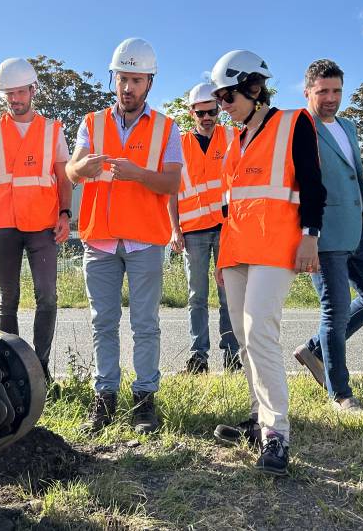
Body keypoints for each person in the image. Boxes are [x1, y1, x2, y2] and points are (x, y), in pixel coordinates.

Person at [208, 50, 325, 475]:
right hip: (236, 250)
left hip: (276, 247)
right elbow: (230, 206)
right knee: (243, 337)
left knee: (260, 331)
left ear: (254, 88)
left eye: (227, 96)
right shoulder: (235, 140)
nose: (223, 106)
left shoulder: (293, 123)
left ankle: (277, 434)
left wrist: (310, 236)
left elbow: (313, 186)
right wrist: (221, 258)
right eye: (219, 99)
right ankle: (258, 418)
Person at [65, 38, 182, 434]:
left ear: (149, 82)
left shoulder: (167, 128)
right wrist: (81, 169)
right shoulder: (91, 123)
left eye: (136, 80)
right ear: (113, 79)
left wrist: (139, 175)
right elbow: (71, 171)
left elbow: (172, 183)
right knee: (103, 323)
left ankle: (145, 402)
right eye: (122, 79)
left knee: (145, 324)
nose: (127, 87)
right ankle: (105, 399)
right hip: (99, 241)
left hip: (145, 241)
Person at [293, 59, 363, 415]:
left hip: (356, 228)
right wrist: (306, 235)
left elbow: (355, 178)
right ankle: (341, 394)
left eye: (336, 90)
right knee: (334, 312)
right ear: (307, 91)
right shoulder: (299, 127)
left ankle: (313, 350)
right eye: (323, 91)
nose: (331, 98)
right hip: (322, 233)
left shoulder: (348, 126)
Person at [0, 57, 72, 381]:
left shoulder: (53, 130)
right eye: (9, 94)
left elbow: (64, 178)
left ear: (33, 90)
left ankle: (41, 368)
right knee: (7, 300)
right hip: (4, 225)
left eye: (20, 92)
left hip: (43, 225)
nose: (14, 99)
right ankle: (12, 371)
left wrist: (65, 214)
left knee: (47, 297)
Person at [168, 83, 240, 374]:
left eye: (212, 111)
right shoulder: (179, 144)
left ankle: (233, 357)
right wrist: (175, 229)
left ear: (218, 109)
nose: (207, 117)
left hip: (227, 229)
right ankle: (198, 358)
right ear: (192, 113)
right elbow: (171, 191)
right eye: (201, 113)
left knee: (228, 296)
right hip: (193, 230)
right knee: (196, 297)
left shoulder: (233, 137)